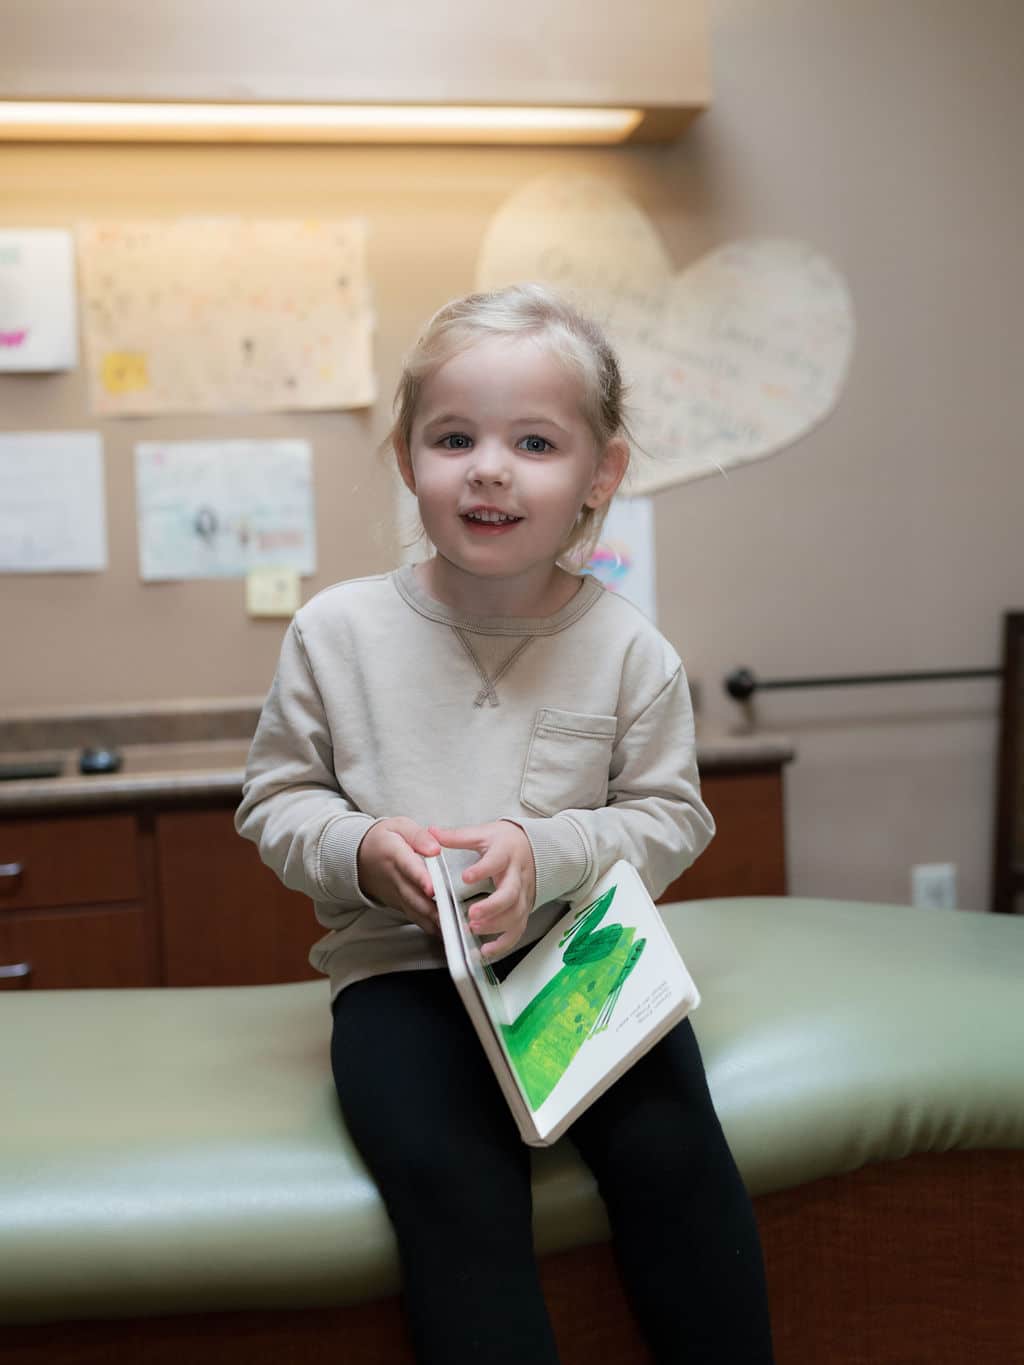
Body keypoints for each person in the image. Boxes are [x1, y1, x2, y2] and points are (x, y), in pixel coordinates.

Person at [235, 283, 774, 1364]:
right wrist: (358, 850)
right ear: (406, 457)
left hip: (579, 963)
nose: (488, 467)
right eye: (453, 437)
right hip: (399, 975)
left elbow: (671, 814)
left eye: (534, 441)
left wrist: (551, 851)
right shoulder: (335, 632)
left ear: (598, 476)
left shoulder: (629, 650)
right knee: (450, 1189)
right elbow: (276, 800)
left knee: (680, 1169)